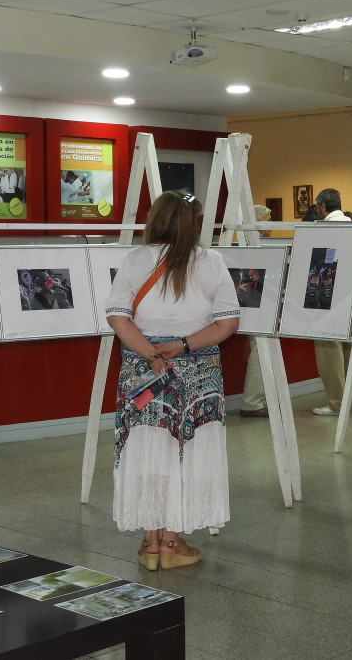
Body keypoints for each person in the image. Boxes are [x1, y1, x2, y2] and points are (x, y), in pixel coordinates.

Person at [105, 190, 240, 570]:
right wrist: (180, 346)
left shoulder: (134, 259)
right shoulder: (211, 262)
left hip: (143, 372)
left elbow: (118, 316)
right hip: (197, 372)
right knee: (190, 449)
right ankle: (173, 540)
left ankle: (150, 542)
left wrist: (151, 354)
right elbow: (227, 323)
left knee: (148, 445)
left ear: (155, 220)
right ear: (192, 223)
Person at [311, 188, 351, 416]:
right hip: (348, 293)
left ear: (322, 207)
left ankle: (336, 402)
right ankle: (342, 400)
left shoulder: (325, 228)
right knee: (344, 347)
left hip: (327, 292)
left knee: (328, 348)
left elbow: (321, 260)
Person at [240, 205, 272, 418]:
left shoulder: (244, 243)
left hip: (253, 300)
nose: (271, 224)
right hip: (257, 301)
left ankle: (257, 399)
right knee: (260, 350)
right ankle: (252, 402)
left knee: (261, 350)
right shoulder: (258, 246)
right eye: (269, 219)